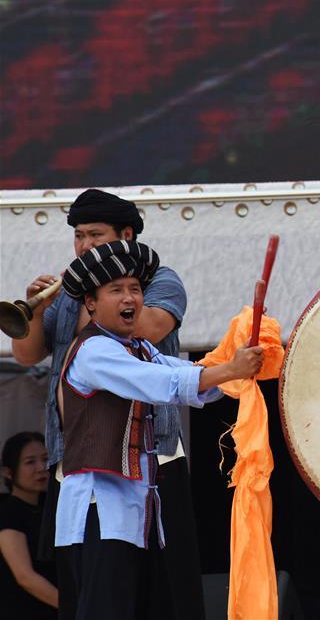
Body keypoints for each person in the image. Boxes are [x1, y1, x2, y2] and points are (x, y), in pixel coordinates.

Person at [9, 188, 203, 618]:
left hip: (152, 459)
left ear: (127, 236)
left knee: (163, 587)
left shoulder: (159, 281)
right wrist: (38, 311)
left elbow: (145, 328)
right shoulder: (70, 291)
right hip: (77, 457)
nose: (83, 246)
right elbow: (26, 355)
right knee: (88, 587)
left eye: (95, 235)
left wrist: (97, 297)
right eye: (78, 236)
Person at [53, 239, 263, 619]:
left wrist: (235, 367)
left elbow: (186, 379)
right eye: (116, 290)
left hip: (137, 513)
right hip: (98, 512)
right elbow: (159, 384)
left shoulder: (140, 349)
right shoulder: (94, 351)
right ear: (91, 303)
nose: (129, 297)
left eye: (135, 289)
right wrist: (231, 370)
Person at [0, 432, 57, 620]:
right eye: (30, 462)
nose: (41, 468)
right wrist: (73, 607)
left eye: (45, 459)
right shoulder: (9, 513)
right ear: (8, 472)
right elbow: (25, 577)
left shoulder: (48, 507)